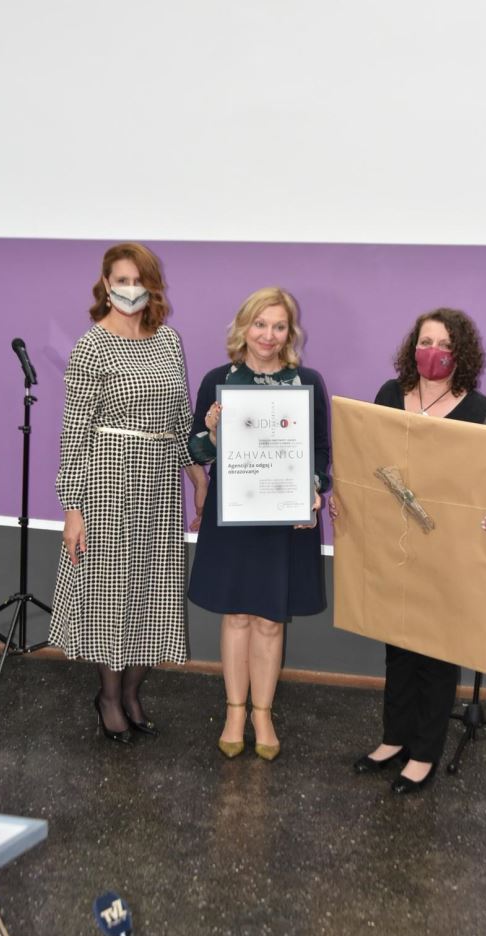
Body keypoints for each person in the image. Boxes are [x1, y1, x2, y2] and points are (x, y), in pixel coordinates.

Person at [330, 307, 486, 794]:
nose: (433, 352)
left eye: (445, 345)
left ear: (460, 354)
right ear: (413, 348)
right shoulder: (390, 396)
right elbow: (366, 463)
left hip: (447, 547)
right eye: (426, 342)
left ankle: (424, 752)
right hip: (393, 541)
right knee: (398, 645)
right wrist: (344, 499)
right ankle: (394, 739)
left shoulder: (479, 410)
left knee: (437, 649)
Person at [49, 242, 207, 744]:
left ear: (152, 286)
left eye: (140, 281)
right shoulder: (91, 346)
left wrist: (197, 475)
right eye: (122, 280)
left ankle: (134, 693)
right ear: (106, 284)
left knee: (154, 590)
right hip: (107, 481)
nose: (131, 289)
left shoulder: (169, 340)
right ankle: (109, 698)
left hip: (158, 483)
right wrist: (72, 508)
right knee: (111, 593)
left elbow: (180, 416)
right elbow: (74, 432)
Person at [187, 287, 329, 761]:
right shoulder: (218, 380)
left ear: (290, 332)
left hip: (283, 516)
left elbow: (320, 452)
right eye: (260, 324)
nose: (268, 335)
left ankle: (262, 714)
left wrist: (311, 490)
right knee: (237, 615)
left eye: (279, 326)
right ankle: (234, 711)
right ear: (244, 327)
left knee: (270, 619)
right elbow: (196, 451)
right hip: (234, 515)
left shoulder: (307, 382)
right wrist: (212, 433)